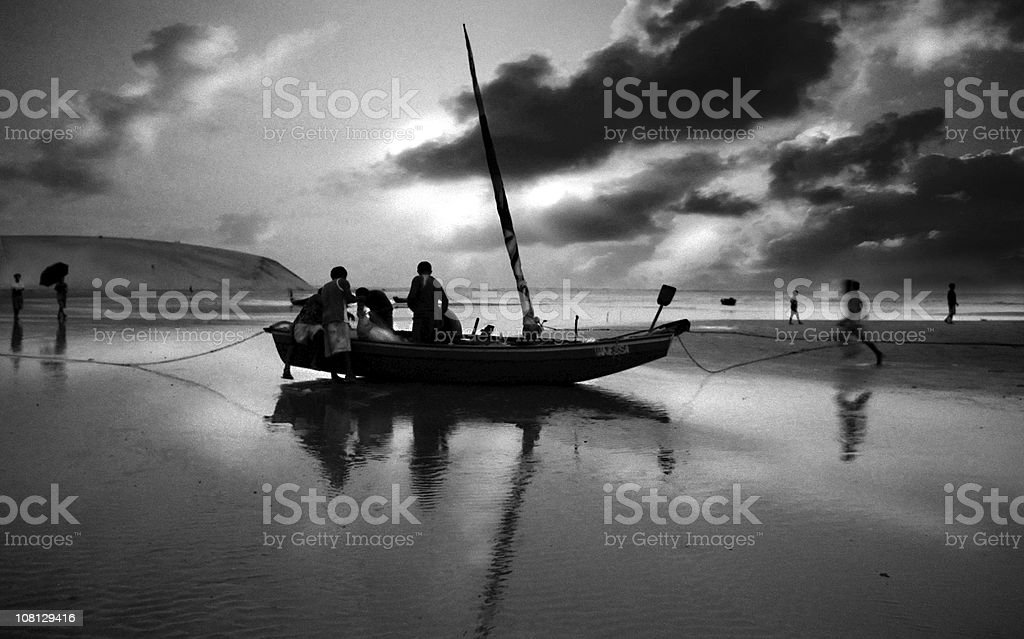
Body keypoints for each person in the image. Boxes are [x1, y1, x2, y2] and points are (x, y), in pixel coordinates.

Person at [320, 266, 357, 382]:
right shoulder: (342, 282)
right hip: (339, 319)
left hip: (326, 320)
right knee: (345, 348)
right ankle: (349, 374)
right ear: (344, 275)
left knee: (332, 350)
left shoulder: (325, 287)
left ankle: (334, 375)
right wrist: (360, 298)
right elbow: (349, 298)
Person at [838, 279, 882, 365]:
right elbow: (858, 309)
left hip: (853, 323)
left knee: (841, 337)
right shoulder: (855, 296)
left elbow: (854, 311)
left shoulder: (852, 297)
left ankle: (852, 352)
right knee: (863, 339)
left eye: (846, 287)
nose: (843, 289)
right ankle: (877, 353)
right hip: (854, 322)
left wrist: (845, 320)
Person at [282, 294, 324, 379]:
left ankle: (287, 368)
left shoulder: (312, 299)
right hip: (306, 324)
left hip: (303, 324)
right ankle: (314, 361)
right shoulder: (321, 299)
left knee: (293, 344)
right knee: (294, 343)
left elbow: (299, 303)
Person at [406, 261, 448, 343]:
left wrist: (416, 311)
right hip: (434, 319)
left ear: (418, 271)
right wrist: (438, 318)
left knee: (418, 343)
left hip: (421, 318)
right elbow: (443, 301)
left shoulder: (417, 280)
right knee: (430, 343)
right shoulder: (435, 282)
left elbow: (411, 298)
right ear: (431, 271)